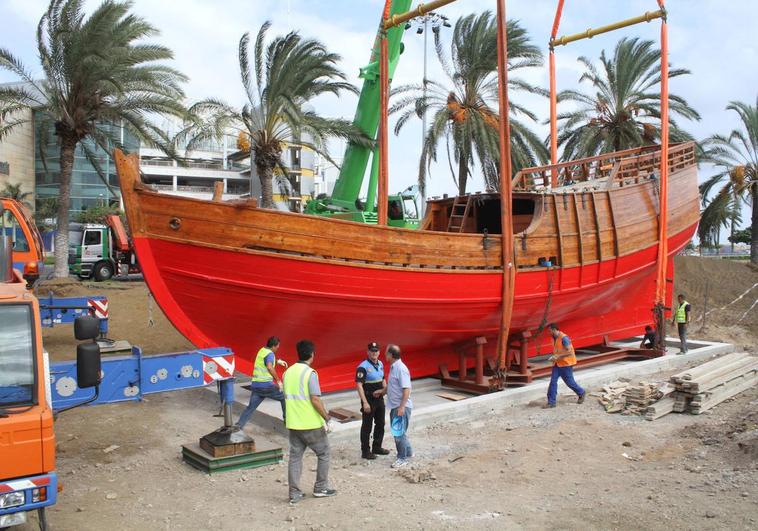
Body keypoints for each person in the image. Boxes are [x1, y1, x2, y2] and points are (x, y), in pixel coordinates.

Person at [283, 339, 335, 504]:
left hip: (293, 423)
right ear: (312, 355)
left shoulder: (287, 373)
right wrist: (327, 417)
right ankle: (321, 488)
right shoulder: (309, 373)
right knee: (324, 453)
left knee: (295, 457)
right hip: (310, 424)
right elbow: (315, 399)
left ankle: (294, 493)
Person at [237, 336, 288, 429]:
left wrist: (277, 361)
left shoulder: (262, 350)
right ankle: (287, 421)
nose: (277, 349)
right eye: (277, 347)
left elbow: (266, 361)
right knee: (285, 397)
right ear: (273, 346)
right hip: (266, 386)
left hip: (256, 386)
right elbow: (269, 366)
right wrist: (278, 381)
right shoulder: (270, 354)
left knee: (250, 408)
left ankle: (238, 426)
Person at [377, 344, 412, 468]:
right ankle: (408, 453)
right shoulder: (393, 368)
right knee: (401, 432)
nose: (384, 355)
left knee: (398, 433)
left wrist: (402, 407)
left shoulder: (401, 369)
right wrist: (381, 392)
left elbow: (406, 389)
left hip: (400, 406)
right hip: (396, 406)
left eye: (386, 353)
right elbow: (392, 386)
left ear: (391, 355)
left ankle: (402, 458)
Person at [355, 342, 389, 460]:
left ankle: (377, 447)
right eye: (372, 351)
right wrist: (364, 402)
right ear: (368, 352)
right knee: (367, 426)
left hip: (379, 399)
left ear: (379, 352)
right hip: (368, 399)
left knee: (380, 423)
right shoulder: (362, 367)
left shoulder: (380, 364)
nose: (374, 353)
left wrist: (385, 391)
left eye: (376, 351)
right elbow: (359, 385)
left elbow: (383, 379)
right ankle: (365, 451)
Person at [544, 323, 585, 408]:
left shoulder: (564, 338)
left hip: (566, 364)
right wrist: (554, 357)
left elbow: (569, 352)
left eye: (550, 331)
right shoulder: (554, 338)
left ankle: (581, 392)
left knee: (570, 382)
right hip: (557, 363)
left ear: (554, 329)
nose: (549, 332)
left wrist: (557, 356)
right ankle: (551, 402)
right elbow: (558, 350)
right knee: (553, 381)